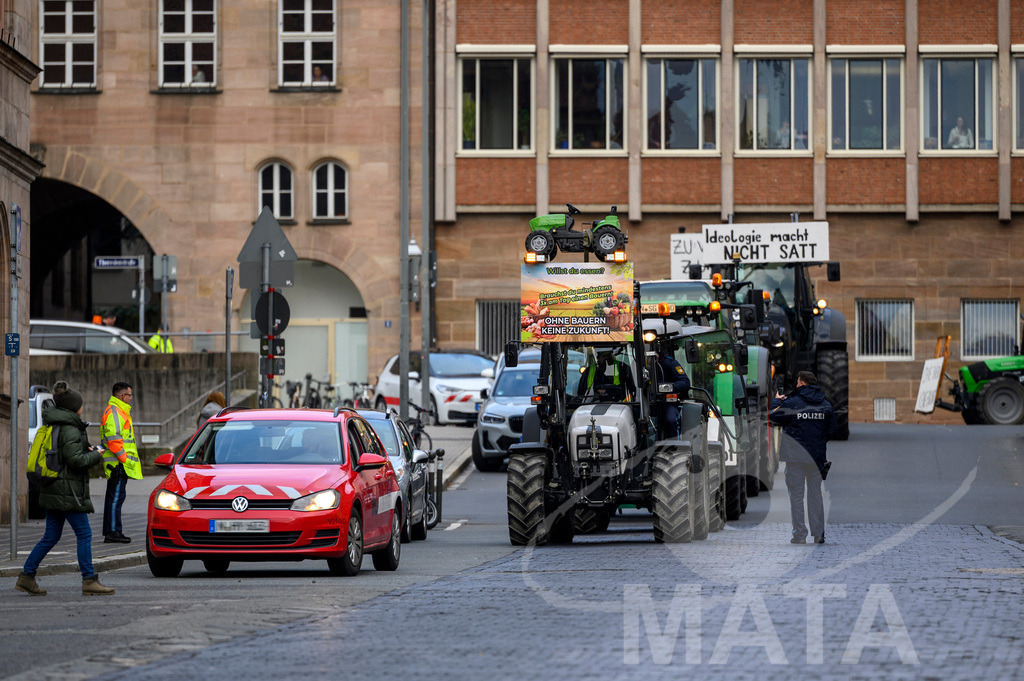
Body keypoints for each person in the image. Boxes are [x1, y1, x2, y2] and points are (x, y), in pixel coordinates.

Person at [16, 382, 115, 596]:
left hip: (53, 487)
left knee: (50, 536)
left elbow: (66, 454)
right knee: (84, 534)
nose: (82, 408)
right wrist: (96, 454)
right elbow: (76, 461)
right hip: (68, 490)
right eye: (80, 405)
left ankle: (26, 576)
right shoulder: (70, 428)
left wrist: (85, 449)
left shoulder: (55, 424)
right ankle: (89, 580)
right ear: (73, 408)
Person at [770, 371, 837, 545]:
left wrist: (777, 400)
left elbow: (773, 417)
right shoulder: (825, 404)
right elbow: (832, 430)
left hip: (795, 459)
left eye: (797, 382)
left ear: (801, 384)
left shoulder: (792, 403)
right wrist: (818, 442)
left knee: (796, 496)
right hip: (816, 459)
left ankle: (799, 534)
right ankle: (818, 534)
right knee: (816, 495)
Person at [100, 382, 142, 543]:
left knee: (114, 498)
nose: (131, 398)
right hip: (118, 464)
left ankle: (112, 530)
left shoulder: (116, 411)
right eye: (130, 395)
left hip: (116, 463)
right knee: (116, 498)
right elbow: (114, 439)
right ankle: (113, 532)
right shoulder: (115, 412)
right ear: (123, 396)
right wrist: (124, 460)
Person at [656, 339, 691, 438]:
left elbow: (685, 383)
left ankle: (673, 446)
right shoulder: (635, 366)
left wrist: (667, 388)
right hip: (642, 403)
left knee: (670, 419)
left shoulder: (669, 363)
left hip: (667, 403)